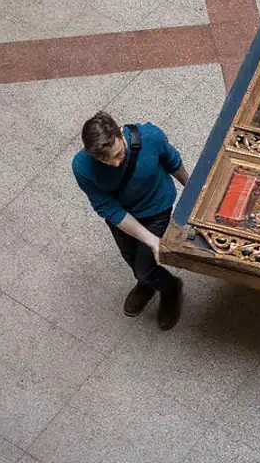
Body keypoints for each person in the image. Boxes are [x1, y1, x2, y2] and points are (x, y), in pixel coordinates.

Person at [72, 111, 187, 330]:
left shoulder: (151, 137)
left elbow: (173, 162)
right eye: (104, 160)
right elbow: (107, 207)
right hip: (122, 216)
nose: (114, 164)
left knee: (144, 268)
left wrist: (193, 191)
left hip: (156, 208)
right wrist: (151, 241)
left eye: (118, 154)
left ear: (121, 135)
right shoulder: (81, 167)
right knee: (132, 259)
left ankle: (170, 288)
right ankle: (146, 283)